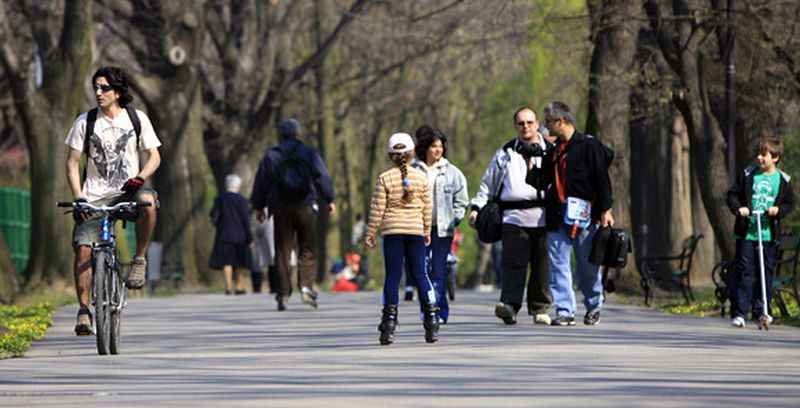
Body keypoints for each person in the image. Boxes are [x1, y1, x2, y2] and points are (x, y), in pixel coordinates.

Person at [64, 66, 161, 335]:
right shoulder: (85, 122)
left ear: (118, 91)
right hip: (94, 196)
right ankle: (84, 311)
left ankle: (139, 260)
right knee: (84, 248)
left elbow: (154, 156)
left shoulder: (136, 118)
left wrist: (140, 178)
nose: (98, 92)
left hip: (128, 192)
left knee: (149, 204)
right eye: (96, 87)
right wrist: (79, 197)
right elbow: (72, 163)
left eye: (104, 88)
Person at [468, 107, 553, 326]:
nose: (526, 127)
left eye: (530, 122)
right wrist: (476, 208)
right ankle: (510, 305)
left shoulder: (551, 152)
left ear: (537, 124)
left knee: (541, 265)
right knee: (513, 264)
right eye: (521, 123)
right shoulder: (505, 154)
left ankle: (540, 307)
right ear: (515, 126)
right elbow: (487, 184)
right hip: (513, 217)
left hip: (544, 218)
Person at [250, 118, 335, 311]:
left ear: (280, 135)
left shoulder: (272, 156)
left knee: (282, 251)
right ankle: (306, 287)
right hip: (305, 205)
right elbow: (322, 177)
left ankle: (283, 294)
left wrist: (258, 206)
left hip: (280, 207)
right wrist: (329, 199)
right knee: (307, 248)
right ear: (298, 134)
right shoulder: (310, 153)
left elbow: (261, 182)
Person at [542, 101, 613, 326]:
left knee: (587, 267)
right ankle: (565, 310)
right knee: (558, 265)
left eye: (547, 122)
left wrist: (606, 209)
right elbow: (543, 181)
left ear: (560, 121)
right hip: (557, 216)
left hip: (585, 217)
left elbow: (602, 178)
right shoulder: (554, 150)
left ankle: (594, 305)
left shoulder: (588, 145)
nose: (545, 126)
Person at [365, 132, 438, 345]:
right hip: (415, 232)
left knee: (393, 277)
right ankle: (431, 319)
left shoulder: (385, 178)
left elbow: (378, 208)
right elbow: (427, 208)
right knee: (421, 275)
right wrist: (426, 231)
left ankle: (389, 324)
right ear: (413, 153)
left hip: (392, 233)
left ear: (390, 155)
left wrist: (370, 232)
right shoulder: (421, 178)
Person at [726, 138, 795, 328]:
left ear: (775, 158)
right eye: (759, 154)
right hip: (747, 233)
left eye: (763, 155)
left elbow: (789, 203)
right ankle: (740, 313)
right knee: (744, 272)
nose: (759, 158)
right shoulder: (748, 174)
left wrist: (778, 210)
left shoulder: (783, 180)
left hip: (768, 234)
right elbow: (732, 195)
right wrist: (739, 208)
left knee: (765, 272)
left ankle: (761, 311)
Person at [409, 125, 468, 324]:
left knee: (439, 270)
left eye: (440, 147)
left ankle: (440, 311)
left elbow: (462, 200)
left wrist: (455, 218)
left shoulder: (453, 173)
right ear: (425, 148)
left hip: (443, 229)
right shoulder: (412, 170)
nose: (438, 150)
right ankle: (426, 308)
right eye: (434, 146)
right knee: (421, 270)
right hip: (418, 228)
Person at [209, 174, 253, 295]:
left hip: (224, 234)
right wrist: (250, 238)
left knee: (226, 261)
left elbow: (213, 216)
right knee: (239, 261)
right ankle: (238, 286)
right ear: (238, 186)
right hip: (240, 235)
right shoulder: (242, 200)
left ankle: (228, 286)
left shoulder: (219, 199)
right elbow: (246, 220)